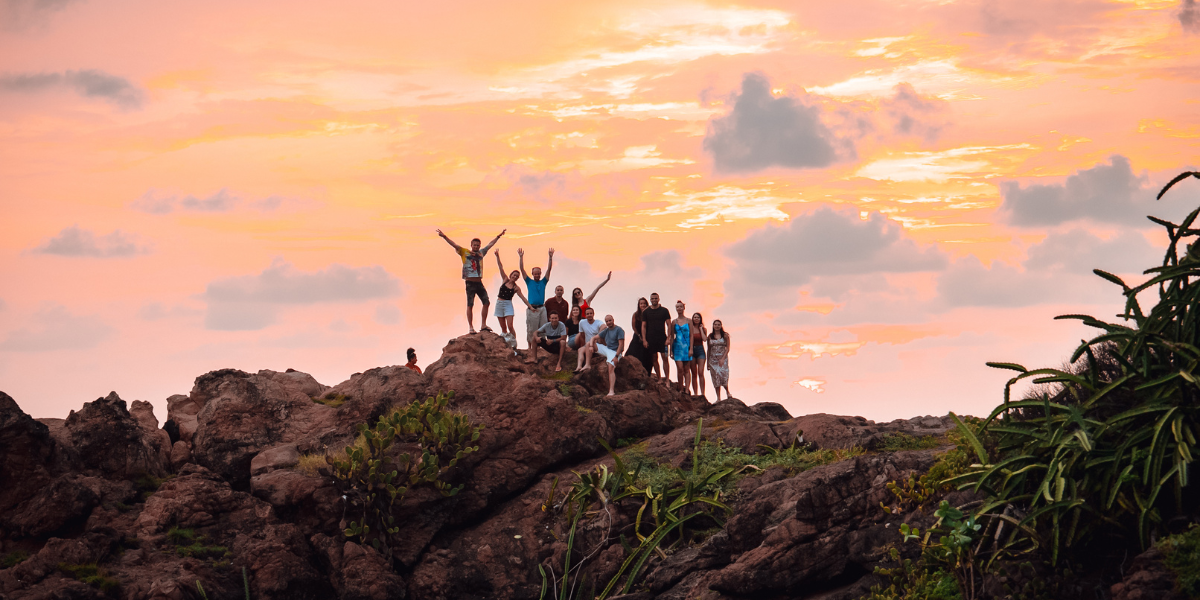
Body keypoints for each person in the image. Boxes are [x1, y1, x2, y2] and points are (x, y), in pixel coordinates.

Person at [437, 228, 505, 334]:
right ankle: (471, 327)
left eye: (478, 245)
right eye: (475, 245)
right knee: (470, 305)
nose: (476, 247)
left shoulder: (482, 253)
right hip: (470, 283)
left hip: (479, 282)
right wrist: (444, 236)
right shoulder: (464, 252)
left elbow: (490, 244)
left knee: (486, 302)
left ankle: (483, 324)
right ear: (471, 245)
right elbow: (454, 245)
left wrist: (498, 236)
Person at [519, 247, 554, 355]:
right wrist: (521, 257)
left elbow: (549, 270)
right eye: (535, 273)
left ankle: (542, 347)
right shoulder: (529, 281)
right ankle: (530, 347)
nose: (537, 275)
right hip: (532, 308)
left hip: (542, 308)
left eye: (538, 273)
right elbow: (522, 270)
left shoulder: (543, 282)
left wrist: (550, 257)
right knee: (531, 329)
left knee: (543, 328)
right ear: (532, 274)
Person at [493, 252, 532, 339]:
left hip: (508, 305)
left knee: (510, 326)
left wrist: (530, 307)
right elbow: (500, 267)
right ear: (511, 275)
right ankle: (507, 343)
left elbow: (523, 298)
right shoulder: (505, 280)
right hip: (499, 303)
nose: (515, 277)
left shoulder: (516, 288)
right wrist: (497, 256)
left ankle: (514, 343)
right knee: (503, 328)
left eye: (517, 276)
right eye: (514, 275)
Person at [640, 293, 671, 381]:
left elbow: (669, 324)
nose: (654, 300)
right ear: (650, 299)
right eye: (652, 298)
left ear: (658, 299)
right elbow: (643, 326)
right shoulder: (646, 311)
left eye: (655, 298)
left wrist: (668, 338)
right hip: (651, 338)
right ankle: (659, 378)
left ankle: (667, 379)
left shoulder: (664, 311)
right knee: (654, 359)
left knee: (665, 358)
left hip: (662, 338)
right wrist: (644, 340)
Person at [593, 314, 626, 396]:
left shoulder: (619, 330)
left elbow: (621, 345)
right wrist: (590, 346)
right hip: (607, 349)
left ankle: (611, 390)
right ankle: (587, 364)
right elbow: (594, 338)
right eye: (607, 321)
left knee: (610, 367)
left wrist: (616, 356)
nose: (608, 322)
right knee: (591, 344)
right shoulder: (606, 330)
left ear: (613, 320)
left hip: (615, 352)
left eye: (610, 320)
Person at [667, 300, 692, 393]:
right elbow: (672, 337)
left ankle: (687, 388)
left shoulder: (689, 321)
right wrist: (671, 351)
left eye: (681, 306)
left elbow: (691, 335)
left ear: (684, 308)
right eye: (677, 307)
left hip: (687, 347)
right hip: (677, 347)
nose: (679, 308)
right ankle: (681, 388)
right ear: (676, 309)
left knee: (687, 369)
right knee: (680, 368)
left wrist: (691, 349)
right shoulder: (674, 322)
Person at [573, 307, 603, 372]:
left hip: (596, 344)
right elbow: (581, 335)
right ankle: (579, 367)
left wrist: (599, 335)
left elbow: (604, 326)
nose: (589, 315)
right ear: (585, 315)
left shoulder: (598, 322)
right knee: (580, 350)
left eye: (590, 313)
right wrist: (582, 344)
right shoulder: (582, 322)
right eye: (587, 314)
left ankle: (587, 365)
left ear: (593, 314)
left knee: (588, 343)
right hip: (587, 345)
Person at [707, 319, 731, 401]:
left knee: (724, 375)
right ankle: (718, 397)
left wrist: (723, 358)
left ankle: (727, 392)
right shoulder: (710, 336)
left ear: (721, 326)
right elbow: (708, 349)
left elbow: (727, 348)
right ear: (713, 326)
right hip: (713, 359)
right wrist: (707, 362)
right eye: (715, 324)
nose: (717, 326)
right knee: (715, 377)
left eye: (718, 324)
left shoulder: (725, 335)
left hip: (722, 358)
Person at [627, 297, 650, 374]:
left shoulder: (649, 314)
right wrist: (639, 335)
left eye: (644, 303)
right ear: (639, 305)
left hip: (648, 336)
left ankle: (647, 373)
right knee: (632, 353)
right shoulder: (636, 314)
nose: (643, 305)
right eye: (641, 304)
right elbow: (633, 326)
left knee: (647, 356)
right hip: (637, 336)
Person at [689, 313, 708, 398]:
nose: (696, 319)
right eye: (695, 317)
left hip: (700, 350)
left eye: (698, 317)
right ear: (692, 319)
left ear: (700, 319)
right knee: (694, 373)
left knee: (700, 372)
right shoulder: (690, 328)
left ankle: (703, 393)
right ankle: (695, 393)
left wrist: (700, 329)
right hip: (692, 350)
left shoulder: (703, 329)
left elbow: (704, 339)